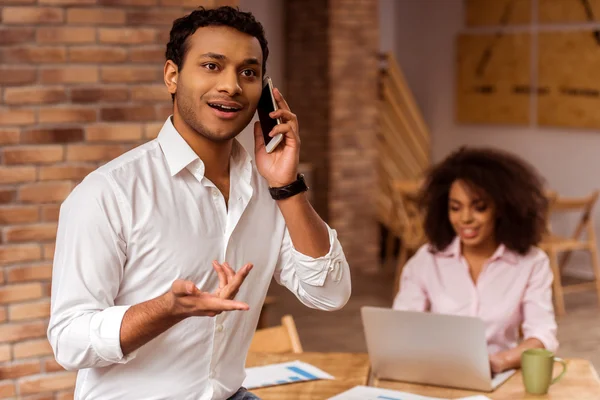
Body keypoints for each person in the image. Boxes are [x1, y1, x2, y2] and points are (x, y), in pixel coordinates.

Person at [47, 6, 351, 400]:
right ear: (172, 76)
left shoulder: (267, 189)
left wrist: (287, 185)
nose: (231, 86)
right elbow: (69, 341)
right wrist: (167, 309)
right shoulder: (108, 193)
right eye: (211, 66)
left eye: (248, 72)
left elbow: (329, 293)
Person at [393, 147, 558, 374]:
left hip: (501, 376)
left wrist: (499, 361)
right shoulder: (427, 260)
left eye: (479, 207)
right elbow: (401, 325)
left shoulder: (531, 263)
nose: (465, 218)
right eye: (455, 208)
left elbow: (542, 335)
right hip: (438, 373)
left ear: (500, 208)